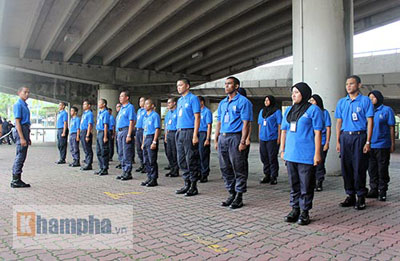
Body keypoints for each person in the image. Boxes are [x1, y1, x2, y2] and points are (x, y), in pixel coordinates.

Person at [280, 82, 323, 225]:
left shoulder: (313, 110)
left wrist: (317, 154)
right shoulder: (289, 111)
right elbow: (284, 131)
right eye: (292, 92)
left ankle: (305, 211)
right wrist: (283, 149)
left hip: (306, 154)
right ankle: (295, 209)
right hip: (291, 154)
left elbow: (318, 133)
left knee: (306, 184)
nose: (293, 95)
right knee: (294, 184)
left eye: (297, 92)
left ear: (304, 93)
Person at [335, 75, 373, 210]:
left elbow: (370, 121)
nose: (348, 86)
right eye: (347, 84)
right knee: (346, 168)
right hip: (345, 137)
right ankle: (350, 195)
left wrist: (368, 141)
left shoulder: (365, 101)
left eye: (351, 84)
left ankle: (361, 196)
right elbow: (339, 121)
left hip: (360, 137)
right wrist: (338, 140)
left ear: (359, 85)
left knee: (359, 168)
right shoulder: (341, 102)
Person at [215, 76, 253, 209]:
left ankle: (239, 196)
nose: (226, 86)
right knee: (225, 167)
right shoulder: (223, 103)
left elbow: (246, 123)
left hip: (235, 137)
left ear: (236, 86)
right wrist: (216, 137)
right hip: (223, 138)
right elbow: (219, 121)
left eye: (229, 84)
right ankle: (231, 193)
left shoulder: (244, 102)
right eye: (225, 84)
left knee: (238, 167)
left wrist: (243, 140)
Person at [366, 90, 395, 201]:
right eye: (369, 97)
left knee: (382, 168)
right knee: (371, 169)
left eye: (373, 97)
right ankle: (373, 189)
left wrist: (392, 144)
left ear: (379, 98)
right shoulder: (368, 111)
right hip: (370, 145)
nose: (371, 99)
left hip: (382, 144)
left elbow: (391, 127)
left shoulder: (387, 110)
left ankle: (382, 190)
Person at [175, 78, 201, 196]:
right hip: (179, 132)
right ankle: (186, 183)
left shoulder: (193, 99)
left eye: (181, 85)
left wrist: (195, 135)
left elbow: (197, 117)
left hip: (189, 131)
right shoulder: (180, 100)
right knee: (181, 159)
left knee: (190, 158)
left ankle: (193, 185)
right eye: (177, 85)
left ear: (187, 86)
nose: (178, 87)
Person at [258, 95, 282, 185]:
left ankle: (274, 176)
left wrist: (279, 138)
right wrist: (259, 136)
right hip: (263, 138)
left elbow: (280, 125)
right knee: (264, 157)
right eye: (265, 100)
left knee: (272, 157)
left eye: (268, 100)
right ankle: (267, 175)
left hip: (272, 138)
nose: (266, 102)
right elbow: (260, 124)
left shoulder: (277, 112)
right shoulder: (262, 111)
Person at [309, 94, 331, 191]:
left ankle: (319, 181)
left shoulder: (324, 112)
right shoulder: (309, 112)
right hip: (311, 142)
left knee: (320, 163)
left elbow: (328, 128)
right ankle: (312, 181)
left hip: (321, 141)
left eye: (313, 100)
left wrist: (327, 142)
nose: (311, 102)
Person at [11, 86, 31, 188]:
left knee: (22, 155)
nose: (27, 94)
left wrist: (28, 137)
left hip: (25, 130)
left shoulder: (25, 105)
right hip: (21, 129)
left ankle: (17, 178)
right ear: (19, 93)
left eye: (28, 92)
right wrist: (22, 138)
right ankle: (15, 179)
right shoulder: (18, 104)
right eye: (25, 92)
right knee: (20, 155)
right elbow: (17, 122)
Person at [116, 91, 136, 180]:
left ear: (127, 97)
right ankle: (124, 171)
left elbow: (132, 121)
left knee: (126, 152)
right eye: (120, 96)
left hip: (125, 130)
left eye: (122, 96)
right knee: (120, 152)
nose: (120, 98)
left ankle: (128, 172)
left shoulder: (130, 107)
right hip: (119, 131)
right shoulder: (121, 108)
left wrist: (129, 134)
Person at [141, 99, 161, 187]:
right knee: (146, 160)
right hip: (146, 138)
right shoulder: (145, 116)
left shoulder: (155, 116)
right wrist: (142, 142)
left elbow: (157, 129)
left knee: (152, 159)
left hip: (151, 137)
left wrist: (154, 141)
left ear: (152, 105)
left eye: (147, 104)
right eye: (145, 104)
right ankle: (149, 177)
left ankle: (154, 179)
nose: (145, 105)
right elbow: (144, 131)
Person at [198, 96, 213, 183]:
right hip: (196, 134)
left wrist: (207, 138)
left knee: (203, 155)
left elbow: (209, 126)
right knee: (197, 155)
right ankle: (199, 172)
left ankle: (204, 174)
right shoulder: (196, 112)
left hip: (203, 134)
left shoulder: (207, 112)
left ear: (202, 102)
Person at [95, 99, 110, 176]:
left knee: (104, 151)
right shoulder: (100, 113)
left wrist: (105, 136)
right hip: (99, 132)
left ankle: (105, 168)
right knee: (98, 151)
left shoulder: (105, 113)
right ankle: (101, 167)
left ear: (104, 104)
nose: (98, 104)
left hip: (103, 132)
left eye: (100, 103)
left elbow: (105, 125)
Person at [164, 97, 179, 177]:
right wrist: (166, 136)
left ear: (174, 103)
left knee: (174, 152)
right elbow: (166, 125)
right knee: (169, 152)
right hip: (169, 133)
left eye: (169, 103)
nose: (168, 104)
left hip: (175, 133)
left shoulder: (177, 112)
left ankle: (175, 170)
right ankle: (172, 168)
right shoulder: (168, 113)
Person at [79, 100, 94, 171]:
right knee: (85, 148)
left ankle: (89, 164)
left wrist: (87, 135)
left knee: (88, 148)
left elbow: (90, 125)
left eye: (85, 104)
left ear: (89, 105)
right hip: (82, 131)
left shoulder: (89, 114)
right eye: (83, 104)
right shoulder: (84, 114)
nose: (83, 106)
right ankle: (87, 161)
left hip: (86, 131)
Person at [135, 97, 147, 173]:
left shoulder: (146, 111)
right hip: (138, 130)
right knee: (139, 149)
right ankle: (142, 164)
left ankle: (146, 165)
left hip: (143, 130)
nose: (140, 102)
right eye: (139, 101)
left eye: (142, 101)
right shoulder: (139, 111)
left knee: (144, 148)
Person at [115, 103, 122, 169]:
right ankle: (120, 161)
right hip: (118, 132)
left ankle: (123, 163)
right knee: (118, 148)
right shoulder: (118, 116)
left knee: (123, 149)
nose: (117, 108)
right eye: (116, 107)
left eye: (119, 106)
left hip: (123, 131)